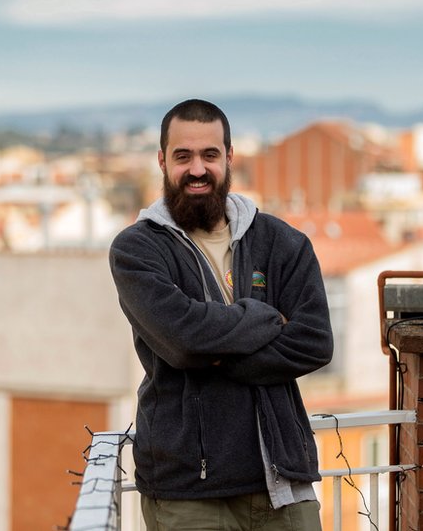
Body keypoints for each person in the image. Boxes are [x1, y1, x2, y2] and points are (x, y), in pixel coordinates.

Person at [108, 98, 334, 530]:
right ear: (162, 161)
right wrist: (267, 319)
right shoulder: (137, 249)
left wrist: (211, 347)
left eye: (210, 155)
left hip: (282, 483)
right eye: (183, 156)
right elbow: (182, 341)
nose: (197, 169)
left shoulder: (283, 243)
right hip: (187, 491)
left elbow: (314, 343)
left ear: (229, 158)